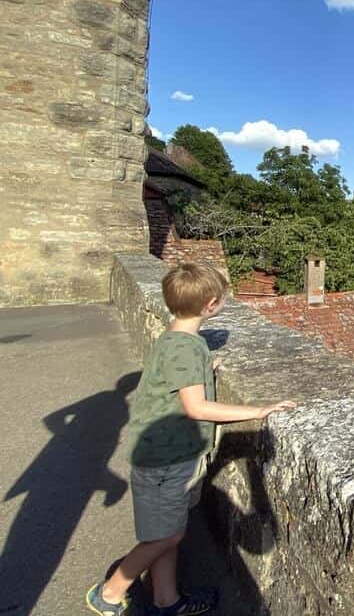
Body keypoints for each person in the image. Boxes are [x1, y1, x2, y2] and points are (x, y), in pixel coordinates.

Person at [87, 263, 296, 616]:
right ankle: (110, 592)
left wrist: (205, 369)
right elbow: (196, 407)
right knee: (165, 537)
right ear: (211, 304)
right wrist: (259, 411)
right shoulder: (186, 349)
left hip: (167, 455)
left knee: (170, 532)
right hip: (165, 459)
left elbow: (180, 378)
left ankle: (166, 600)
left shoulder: (177, 339)